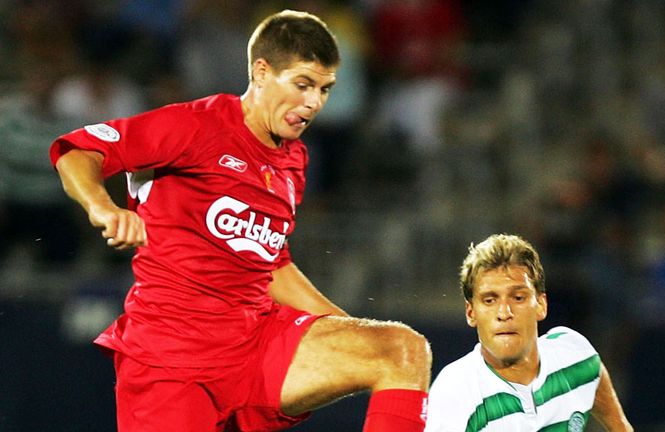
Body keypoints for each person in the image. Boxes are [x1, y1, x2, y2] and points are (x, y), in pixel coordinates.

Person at [49, 10, 431, 432]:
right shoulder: (195, 125)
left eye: (325, 89)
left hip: (254, 344)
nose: (314, 103)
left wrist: (343, 328)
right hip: (172, 359)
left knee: (399, 349)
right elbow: (77, 153)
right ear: (262, 72)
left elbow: (271, 264)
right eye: (303, 84)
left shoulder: (294, 159)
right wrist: (103, 207)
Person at [425, 234, 632, 431]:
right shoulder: (454, 392)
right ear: (471, 313)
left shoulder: (574, 355)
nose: (504, 313)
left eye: (518, 298)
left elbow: (618, 422)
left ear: (541, 305)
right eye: (490, 300)